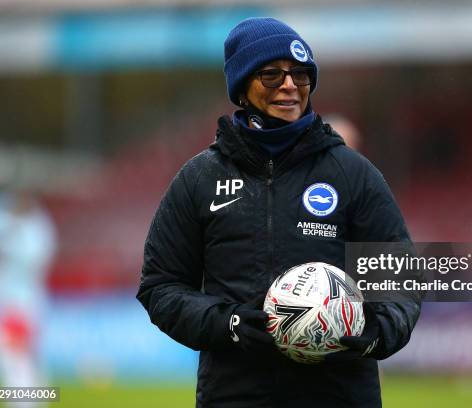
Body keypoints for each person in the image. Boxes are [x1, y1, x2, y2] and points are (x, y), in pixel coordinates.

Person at [137, 17, 422, 408]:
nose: (289, 86)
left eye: (301, 76)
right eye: (271, 75)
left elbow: (401, 281)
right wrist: (230, 323)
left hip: (339, 396)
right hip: (235, 395)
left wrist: (374, 331)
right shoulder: (199, 178)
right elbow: (161, 287)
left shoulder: (352, 173)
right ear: (242, 86)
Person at [0, 189, 56, 406]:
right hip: (14, 304)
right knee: (21, 360)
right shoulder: (8, 221)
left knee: (14, 361)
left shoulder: (36, 231)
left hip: (19, 306)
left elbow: (33, 256)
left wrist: (11, 228)